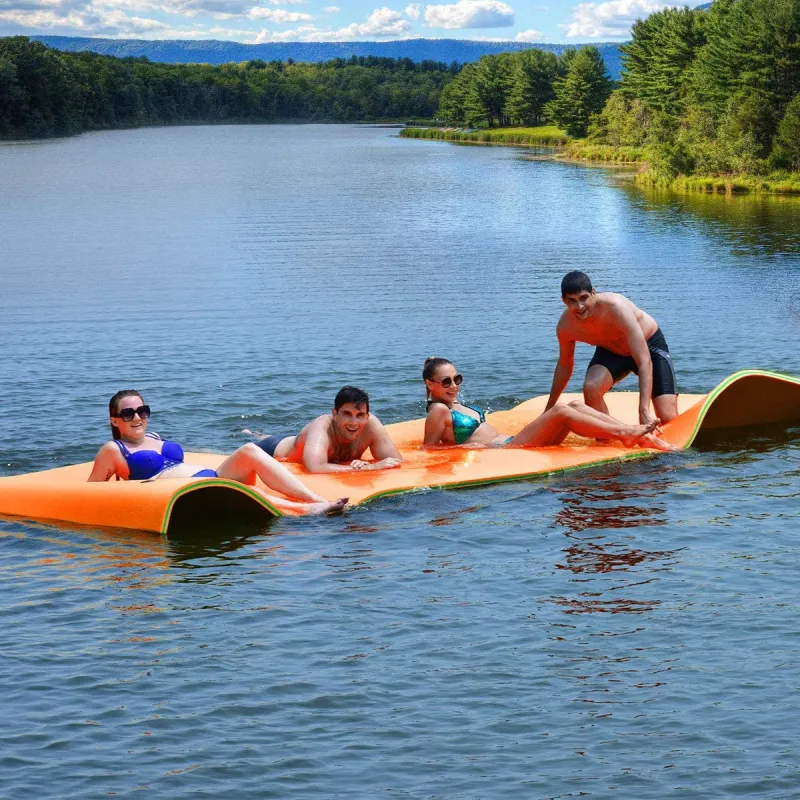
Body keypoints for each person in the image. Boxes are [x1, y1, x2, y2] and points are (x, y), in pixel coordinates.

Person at [89, 390, 347, 515]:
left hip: (208, 477)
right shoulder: (114, 449)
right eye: (128, 413)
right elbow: (91, 492)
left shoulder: (154, 437)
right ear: (114, 420)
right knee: (244, 488)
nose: (137, 417)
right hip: (188, 493)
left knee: (249, 450)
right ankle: (307, 510)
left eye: (142, 411)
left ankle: (314, 498)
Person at [423, 358, 676, 451]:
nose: (454, 385)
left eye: (457, 379)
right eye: (446, 381)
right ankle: (625, 434)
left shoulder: (453, 404)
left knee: (575, 403)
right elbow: (429, 449)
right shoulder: (438, 410)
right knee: (561, 410)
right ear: (430, 384)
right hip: (507, 449)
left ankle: (632, 432)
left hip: (510, 440)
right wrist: (473, 447)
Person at [546, 271, 679, 427]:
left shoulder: (616, 308)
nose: (580, 306)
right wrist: (549, 408)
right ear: (564, 301)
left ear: (593, 293)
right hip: (611, 351)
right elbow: (564, 365)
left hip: (650, 348)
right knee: (591, 387)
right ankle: (610, 435)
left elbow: (644, 361)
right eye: (572, 300)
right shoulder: (566, 327)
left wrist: (644, 410)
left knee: (668, 417)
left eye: (584, 298)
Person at [254, 386, 403, 473]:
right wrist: (369, 468)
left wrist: (373, 465)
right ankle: (252, 433)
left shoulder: (371, 425)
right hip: (274, 448)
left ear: (366, 416)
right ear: (334, 414)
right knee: (258, 440)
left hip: (306, 442)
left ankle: (257, 434)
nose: (354, 422)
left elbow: (395, 461)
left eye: (360, 415)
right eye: (347, 414)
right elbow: (315, 467)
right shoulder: (321, 428)